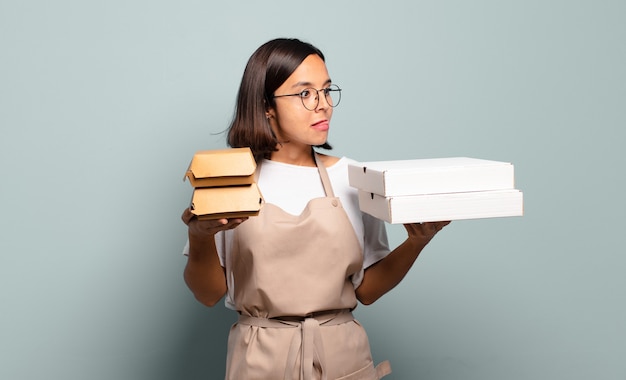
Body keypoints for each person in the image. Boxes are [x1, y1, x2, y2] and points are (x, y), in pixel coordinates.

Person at [181, 38, 449, 380]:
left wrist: (416, 243)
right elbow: (207, 294)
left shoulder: (352, 177)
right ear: (266, 106)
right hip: (259, 361)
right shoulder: (230, 177)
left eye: (326, 91)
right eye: (305, 93)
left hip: (343, 358)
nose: (323, 105)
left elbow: (366, 291)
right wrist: (198, 235)